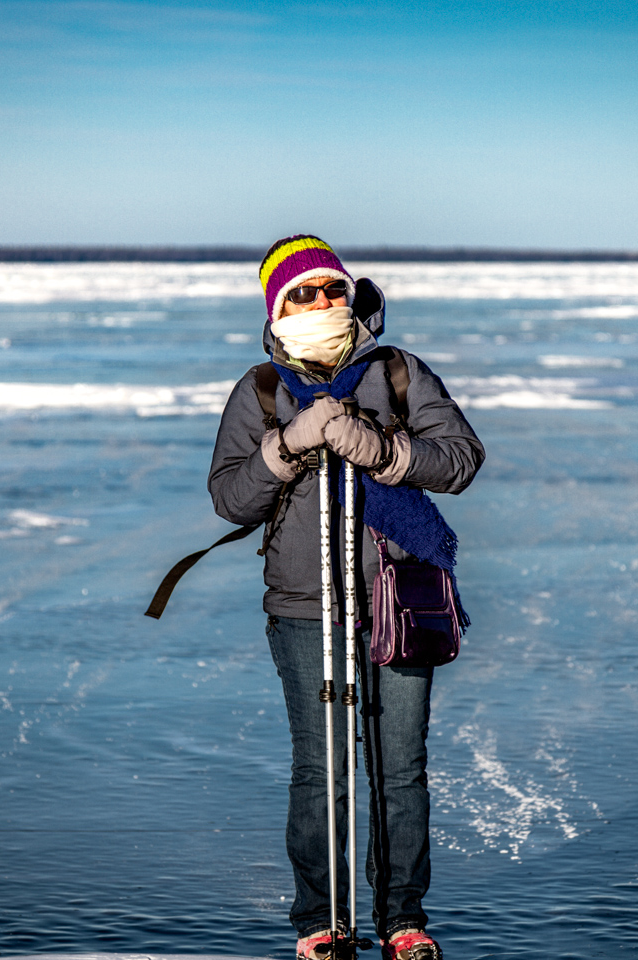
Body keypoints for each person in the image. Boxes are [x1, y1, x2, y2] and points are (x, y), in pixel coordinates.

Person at [208, 235, 484, 960]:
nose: (322, 303)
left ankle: (401, 918)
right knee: (319, 767)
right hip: (304, 607)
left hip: (399, 600)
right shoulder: (261, 391)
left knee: (400, 767)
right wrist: (288, 444)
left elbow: (460, 459)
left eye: (332, 289)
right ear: (277, 308)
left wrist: (387, 454)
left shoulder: (396, 373)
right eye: (303, 294)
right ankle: (320, 920)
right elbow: (230, 498)